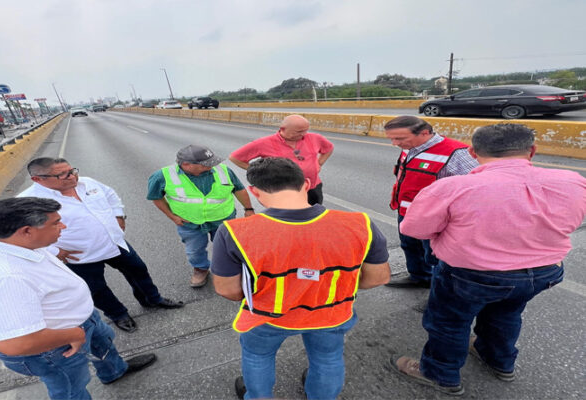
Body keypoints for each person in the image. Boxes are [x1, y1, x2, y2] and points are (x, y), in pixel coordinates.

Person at [391, 124, 586, 395]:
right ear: (532, 150)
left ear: (472, 152)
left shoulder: (451, 187)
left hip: (471, 274)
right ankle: (498, 360)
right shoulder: (574, 181)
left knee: (449, 322)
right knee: (506, 314)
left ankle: (440, 374)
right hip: (543, 272)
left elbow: (414, 229)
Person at [210, 157, 391, 400]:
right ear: (306, 184)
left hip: (267, 316)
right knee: (327, 358)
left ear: (254, 191)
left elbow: (228, 290)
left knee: (258, 356)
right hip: (332, 312)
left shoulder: (234, 232)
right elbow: (378, 277)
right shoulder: (360, 223)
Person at [0, 197, 157, 400]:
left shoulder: (1, 241)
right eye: (56, 223)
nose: (63, 226)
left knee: (103, 344)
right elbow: (16, 343)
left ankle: (114, 371)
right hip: (54, 345)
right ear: (27, 231)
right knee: (70, 389)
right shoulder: (5, 279)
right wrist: (74, 334)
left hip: (77, 321)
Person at [18, 158, 183, 333]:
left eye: (72, 171)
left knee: (138, 270)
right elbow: (22, 235)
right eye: (62, 175)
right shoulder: (27, 202)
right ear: (38, 179)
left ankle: (152, 299)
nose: (72, 176)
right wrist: (54, 251)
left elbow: (111, 195)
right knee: (96, 288)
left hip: (114, 242)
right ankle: (118, 314)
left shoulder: (88, 183)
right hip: (79, 254)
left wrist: (119, 215)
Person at [384, 115, 478, 289]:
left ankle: (440, 289)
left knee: (435, 255)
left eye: (400, 138)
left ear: (424, 133)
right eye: (392, 139)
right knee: (410, 246)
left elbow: (477, 186)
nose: (395, 143)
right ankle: (419, 277)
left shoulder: (456, 153)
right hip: (408, 211)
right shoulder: (410, 147)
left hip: (436, 217)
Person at [147, 145, 255, 288]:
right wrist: (172, 216)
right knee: (194, 250)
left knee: (228, 247)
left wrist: (248, 209)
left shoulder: (224, 171)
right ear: (187, 164)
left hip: (223, 219)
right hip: (190, 223)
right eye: (206, 164)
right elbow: (156, 197)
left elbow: (239, 190)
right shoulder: (162, 176)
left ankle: (230, 270)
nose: (212, 166)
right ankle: (200, 269)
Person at [228, 114, 334, 205]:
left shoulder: (314, 138)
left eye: (305, 130)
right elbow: (235, 157)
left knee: (315, 213)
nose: (303, 134)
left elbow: (328, 148)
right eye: (299, 131)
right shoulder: (263, 143)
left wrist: (319, 163)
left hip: (312, 187)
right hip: (283, 191)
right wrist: (260, 171)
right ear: (283, 129)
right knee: (290, 217)